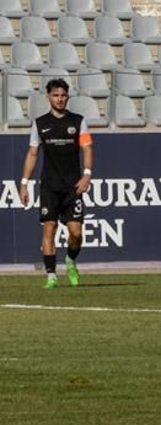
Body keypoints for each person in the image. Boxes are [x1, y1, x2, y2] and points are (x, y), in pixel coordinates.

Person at [17, 79, 93, 289]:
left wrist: (86, 175)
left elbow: (87, 149)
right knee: (49, 228)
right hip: (49, 185)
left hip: (73, 186)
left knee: (76, 233)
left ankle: (70, 259)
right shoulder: (40, 123)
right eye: (55, 95)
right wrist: (24, 183)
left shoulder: (78, 121)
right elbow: (33, 153)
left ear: (67, 97)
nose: (60, 99)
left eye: (63, 95)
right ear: (48, 97)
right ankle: (51, 275)